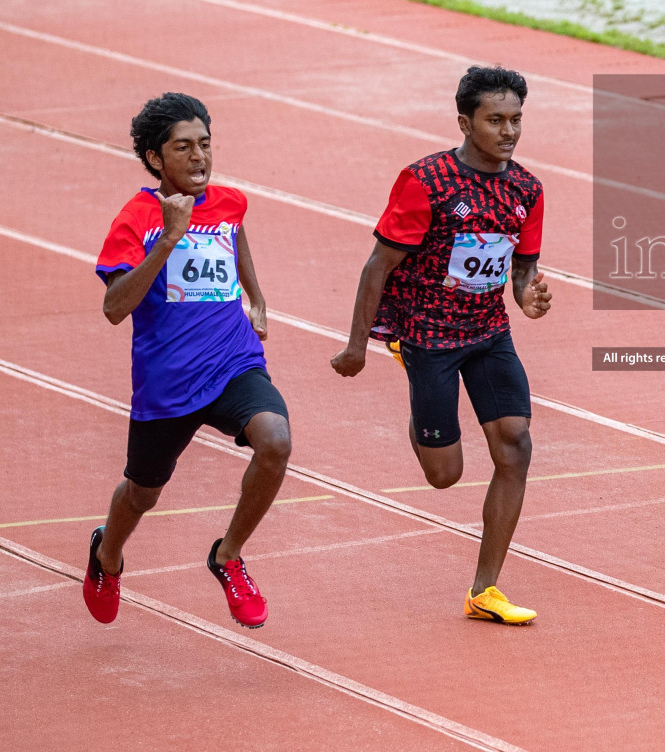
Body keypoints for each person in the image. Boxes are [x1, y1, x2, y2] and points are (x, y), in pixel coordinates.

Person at [331, 66, 550, 624]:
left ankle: (485, 589)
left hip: (488, 331)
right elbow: (378, 265)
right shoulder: (425, 182)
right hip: (427, 336)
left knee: (515, 445)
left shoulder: (527, 190)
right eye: (495, 120)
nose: (509, 131)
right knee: (443, 475)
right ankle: (408, 369)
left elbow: (521, 271)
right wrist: (358, 344)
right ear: (464, 121)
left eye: (516, 119)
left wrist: (528, 297)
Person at [86, 93, 290, 628]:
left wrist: (258, 298)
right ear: (156, 158)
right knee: (142, 493)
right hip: (167, 382)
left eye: (205, 144)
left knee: (276, 440)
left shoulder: (229, 201)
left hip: (231, 361)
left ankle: (228, 556)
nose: (199, 157)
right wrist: (169, 237)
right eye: (183, 147)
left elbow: (235, 238)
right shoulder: (136, 218)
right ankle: (107, 554)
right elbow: (114, 308)